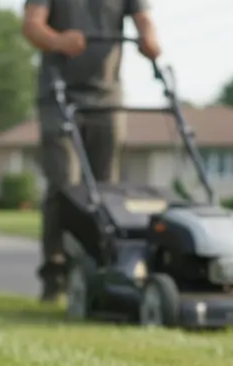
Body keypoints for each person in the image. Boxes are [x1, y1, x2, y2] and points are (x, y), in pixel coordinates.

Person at [22, 0, 162, 302]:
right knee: (65, 182)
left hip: (107, 95)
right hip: (58, 92)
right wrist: (58, 41)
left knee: (106, 189)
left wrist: (149, 39)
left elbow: (144, 19)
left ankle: (104, 269)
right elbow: (32, 25)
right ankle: (56, 274)